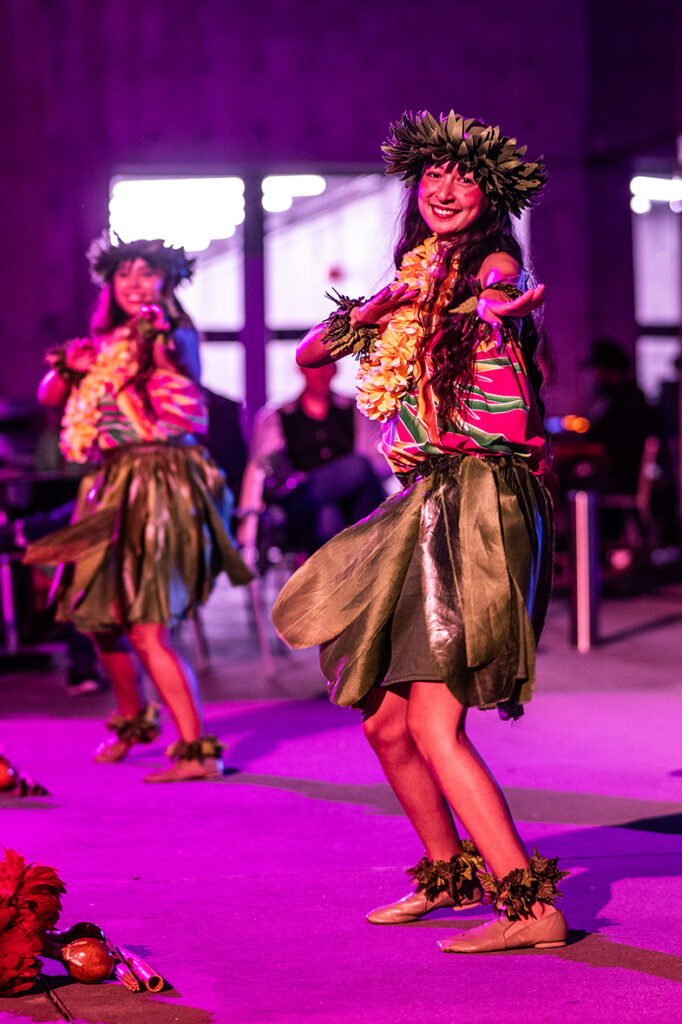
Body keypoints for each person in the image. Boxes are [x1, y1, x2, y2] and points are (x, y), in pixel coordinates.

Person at [272, 110, 569, 953]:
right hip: (425, 498)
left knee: (435, 725)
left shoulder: (491, 265)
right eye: (431, 177)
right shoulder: (409, 284)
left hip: (476, 498)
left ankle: (529, 904)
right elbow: (310, 355)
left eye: (462, 177)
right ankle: (450, 871)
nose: (443, 189)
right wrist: (387, 299)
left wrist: (499, 301)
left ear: (491, 193)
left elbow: (500, 293)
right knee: (387, 724)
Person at [25, 236, 252, 782]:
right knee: (97, 614)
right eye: (123, 274)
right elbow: (49, 395)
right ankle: (133, 720)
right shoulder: (106, 342)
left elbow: (170, 358)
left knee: (147, 626)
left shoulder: (170, 332)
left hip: (161, 480)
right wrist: (71, 365)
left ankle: (199, 751)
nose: (132, 283)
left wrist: (154, 328)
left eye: (146, 273)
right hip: (109, 480)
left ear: (167, 282)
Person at [238, 363, 386, 559]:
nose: (322, 374)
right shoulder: (278, 417)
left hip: (347, 506)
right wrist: (247, 520)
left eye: (327, 367)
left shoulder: (357, 412)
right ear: (302, 370)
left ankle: (332, 581)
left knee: (329, 514)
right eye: (316, 367)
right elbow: (258, 471)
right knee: (357, 467)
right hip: (301, 502)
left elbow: (380, 463)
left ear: (335, 371)